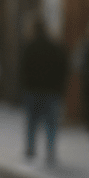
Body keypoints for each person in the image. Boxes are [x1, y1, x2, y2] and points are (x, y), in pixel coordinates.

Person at [20, 17, 69, 167]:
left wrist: (25, 86)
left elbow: (23, 69)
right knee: (51, 123)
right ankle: (50, 150)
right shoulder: (55, 46)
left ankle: (30, 148)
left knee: (31, 122)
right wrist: (60, 88)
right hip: (52, 91)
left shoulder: (29, 47)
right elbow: (64, 68)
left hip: (33, 90)